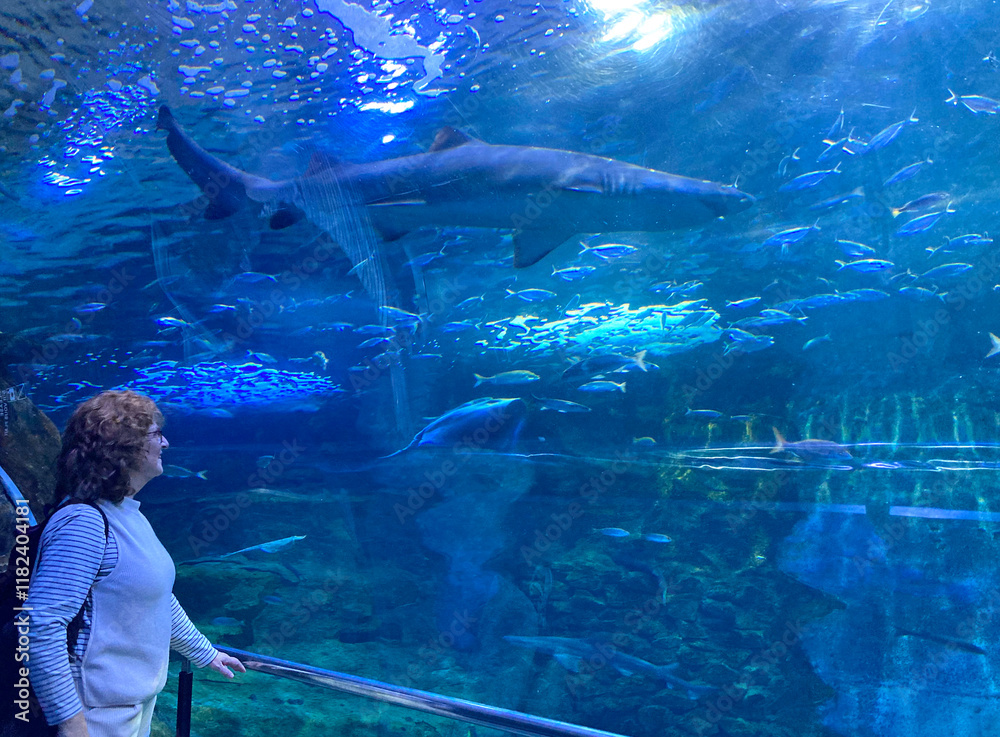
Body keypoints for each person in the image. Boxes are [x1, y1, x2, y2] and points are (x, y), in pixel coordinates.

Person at [26, 390, 245, 737]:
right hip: (94, 717)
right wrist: (71, 723)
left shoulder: (129, 516)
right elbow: (41, 624)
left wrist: (206, 653)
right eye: (157, 434)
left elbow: (157, 597)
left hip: (131, 711)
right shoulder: (83, 522)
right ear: (123, 445)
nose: (167, 443)